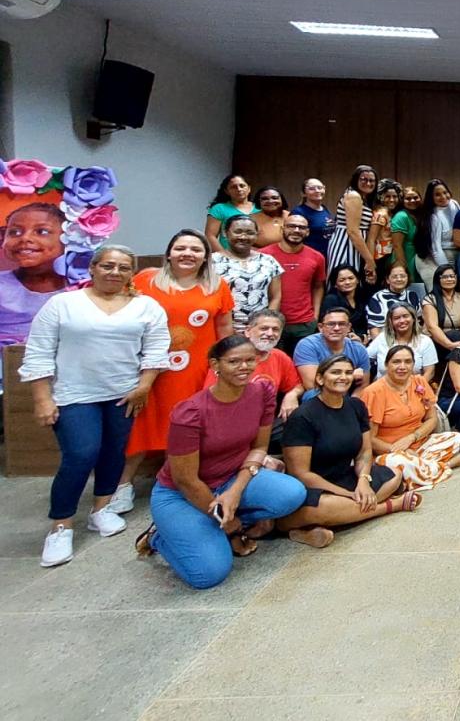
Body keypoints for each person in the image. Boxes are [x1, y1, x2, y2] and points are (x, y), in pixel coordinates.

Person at [22, 245, 170, 568]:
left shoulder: (146, 306)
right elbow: (39, 350)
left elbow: (157, 348)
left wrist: (144, 386)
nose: (115, 272)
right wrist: (42, 398)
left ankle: (101, 509)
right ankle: (61, 526)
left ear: (132, 273)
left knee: (114, 452)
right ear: (92, 268)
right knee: (81, 454)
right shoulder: (63, 304)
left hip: (124, 394)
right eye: (108, 266)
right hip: (74, 394)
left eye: (123, 267)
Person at [134, 335, 308, 589]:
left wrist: (235, 492)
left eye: (250, 360)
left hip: (232, 478)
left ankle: (219, 520)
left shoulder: (262, 393)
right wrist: (231, 527)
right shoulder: (190, 412)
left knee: (292, 494)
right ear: (215, 364)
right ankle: (160, 537)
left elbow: (259, 448)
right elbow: (185, 480)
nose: (244, 367)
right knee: (208, 574)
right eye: (234, 361)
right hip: (182, 494)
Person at [115, 229, 235, 513]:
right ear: (169, 253)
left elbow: (224, 327)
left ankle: (181, 483)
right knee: (143, 425)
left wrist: (224, 365)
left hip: (198, 369)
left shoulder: (217, 285)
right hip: (153, 370)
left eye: (196, 249)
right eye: (181, 248)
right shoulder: (145, 280)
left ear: (205, 256)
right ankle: (122, 486)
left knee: (189, 428)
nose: (188, 254)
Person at [275, 354, 414, 549]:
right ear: (320, 379)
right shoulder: (303, 416)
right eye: (336, 372)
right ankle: (388, 506)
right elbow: (301, 474)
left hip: (345, 476)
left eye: (348, 373)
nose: (343, 377)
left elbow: (364, 452)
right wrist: (346, 494)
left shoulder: (356, 406)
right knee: (329, 506)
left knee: (395, 475)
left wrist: (363, 481)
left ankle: (322, 523)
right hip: (314, 487)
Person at [359, 345, 460, 489]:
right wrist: (399, 450)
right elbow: (369, 439)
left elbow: (432, 419)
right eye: (396, 362)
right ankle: (447, 464)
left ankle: (419, 470)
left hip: (419, 443)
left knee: (455, 438)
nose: (402, 367)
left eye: (407, 362)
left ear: (413, 364)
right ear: (386, 365)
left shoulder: (419, 382)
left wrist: (412, 437)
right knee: (399, 462)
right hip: (389, 451)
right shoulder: (374, 392)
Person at [207, 309, 305, 451]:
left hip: (266, 421)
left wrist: (292, 395)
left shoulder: (280, 357)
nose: (270, 333)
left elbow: (297, 385)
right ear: (248, 331)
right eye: (264, 328)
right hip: (231, 421)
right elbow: (211, 399)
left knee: (302, 426)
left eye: (275, 329)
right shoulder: (230, 357)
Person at [0, 202, 68, 343]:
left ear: (68, 238)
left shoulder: (83, 287)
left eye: (42, 231)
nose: (25, 238)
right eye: (15, 232)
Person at [260, 212, 326, 354]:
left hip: (304, 324)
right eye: (291, 226)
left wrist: (315, 316)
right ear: (282, 229)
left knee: (303, 363)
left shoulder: (317, 257)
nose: (296, 230)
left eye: (301, 227)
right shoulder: (263, 255)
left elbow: (318, 287)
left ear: (307, 232)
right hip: (271, 323)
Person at [212, 215, 282, 332]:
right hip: (222, 328)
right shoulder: (212, 262)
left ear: (256, 235)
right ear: (225, 233)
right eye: (238, 232)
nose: (243, 237)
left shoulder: (269, 261)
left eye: (250, 233)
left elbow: (275, 297)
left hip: (260, 330)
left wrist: (266, 324)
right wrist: (226, 329)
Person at [293, 308, 371, 397]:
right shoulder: (307, 345)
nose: (336, 328)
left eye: (342, 324)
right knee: (310, 394)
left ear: (349, 327)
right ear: (320, 327)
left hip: (348, 398)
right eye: (331, 324)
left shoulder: (359, 349)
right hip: (318, 397)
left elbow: (363, 386)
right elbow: (312, 385)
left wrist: (352, 402)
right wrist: (350, 375)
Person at [325, 165, 378, 284]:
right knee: (344, 282)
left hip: (356, 246)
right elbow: (353, 231)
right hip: (346, 243)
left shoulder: (363, 197)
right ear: (355, 180)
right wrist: (369, 260)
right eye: (363, 179)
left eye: (372, 180)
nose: (368, 183)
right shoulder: (354, 196)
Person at [367, 302, 437, 381]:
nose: (402, 320)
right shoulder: (382, 338)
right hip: (383, 386)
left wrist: (418, 387)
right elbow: (365, 358)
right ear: (391, 321)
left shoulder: (425, 341)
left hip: (414, 387)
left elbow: (429, 372)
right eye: (396, 318)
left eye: (405, 316)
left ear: (414, 318)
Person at [411, 179, 459, 291]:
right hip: (429, 259)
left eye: (445, 192)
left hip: (450, 254)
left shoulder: (454, 204)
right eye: (437, 195)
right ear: (431, 198)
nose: (443, 197)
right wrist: (447, 270)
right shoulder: (433, 216)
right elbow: (435, 248)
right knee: (438, 292)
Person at [421, 263, 460, 361]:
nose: (449, 279)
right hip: (436, 341)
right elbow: (432, 327)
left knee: (459, 335)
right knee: (454, 334)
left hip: (458, 340)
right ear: (438, 280)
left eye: (452, 276)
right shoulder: (430, 299)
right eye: (445, 277)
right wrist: (450, 345)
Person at [205, 173, 258, 252]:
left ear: (249, 188)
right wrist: (224, 255)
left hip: (257, 255)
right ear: (227, 191)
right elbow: (210, 236)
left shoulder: (259, 208)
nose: (239, 189)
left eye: (242, 186)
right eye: (233, 187)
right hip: (227, 254)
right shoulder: (219, 208)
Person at [363, 264, 419, 338]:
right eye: (394, 276)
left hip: (412, 339)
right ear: (387, 280)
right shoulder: (377, 298)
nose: (399, 279)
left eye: (402, 276)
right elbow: (374, 330)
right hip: (386, 340)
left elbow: (420, 321)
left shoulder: (412, 295)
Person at [367, 179, 403, 283]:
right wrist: (370, 264)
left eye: (395, 196)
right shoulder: (381, 214)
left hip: (387, 256)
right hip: (378, 258)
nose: (392, 200)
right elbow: (371, 239)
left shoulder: (390, 213)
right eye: (387, 196)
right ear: (380, 197)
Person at [320, 264, 368, 339]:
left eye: (351, 278)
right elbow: (330, 326)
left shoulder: (362, 297)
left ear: (357, 280)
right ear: (335, 284)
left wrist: (362, 337)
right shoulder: (331, 299)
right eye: (342, 280)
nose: (347, 282)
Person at [389, 185, 423, 282]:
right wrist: (403, 266)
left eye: (415, 197)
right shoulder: (401, 216)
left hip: (414, 257)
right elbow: (397, 245)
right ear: (402, 201)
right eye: (408, 198)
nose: (412, 201)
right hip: (404, 257)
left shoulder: (417, 215)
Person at [291, 178, 334, 256]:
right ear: (303, 194)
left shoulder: (324, 208)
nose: (317, 191)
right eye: (311, 188)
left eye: (320, 188)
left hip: (327, 255)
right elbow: (294, 239)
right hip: (309, 256)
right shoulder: (298, 213)